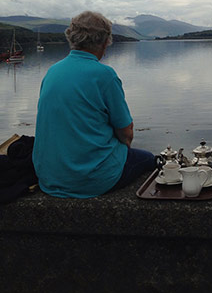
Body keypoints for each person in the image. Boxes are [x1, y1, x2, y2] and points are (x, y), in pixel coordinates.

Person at [33, 11, 155, 198]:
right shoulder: (104, 75)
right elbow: (126, 133)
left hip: (49, 177)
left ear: (71, 38)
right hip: (90, 181)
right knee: (148, 160)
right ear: (105, 41)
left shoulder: (52, 72)